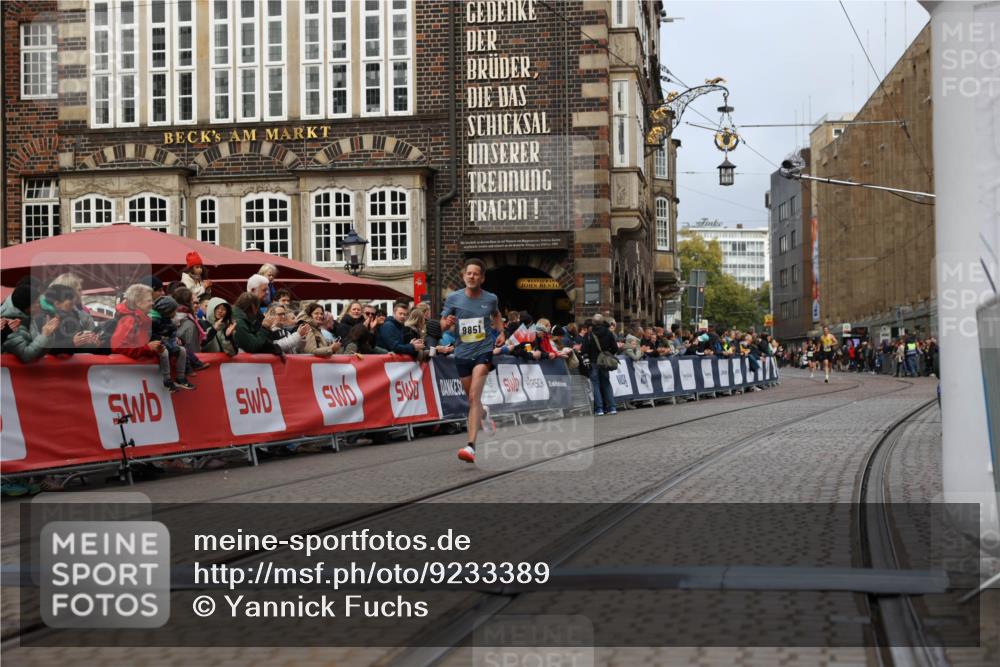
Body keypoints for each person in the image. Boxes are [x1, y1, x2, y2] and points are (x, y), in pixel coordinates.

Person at [441, 258, 504, 463]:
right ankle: (484, 414)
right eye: (469, 273)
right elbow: (441, 324)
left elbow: (496, 315)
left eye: (476, 273)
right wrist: (446, 322)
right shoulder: (453, 299)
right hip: (462, 353)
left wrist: (501, 332)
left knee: (473, 397)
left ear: (482, 278)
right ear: (463, 276)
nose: (472, 276)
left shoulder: (491, 298)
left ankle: (470, 447)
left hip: (483, 351)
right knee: (472, 398)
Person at [111, 285, 189, 392]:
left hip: (139, 379)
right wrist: (147, 348)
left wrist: (155, 349)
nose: (152, 303)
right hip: (130, 380)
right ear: (138, 302)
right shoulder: (129, 320)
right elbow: (118, 347)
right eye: (149, 300)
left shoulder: (143, 319)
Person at [1, 278, 58, 362]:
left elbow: (39, 353)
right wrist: (44, 335)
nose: (40, 306)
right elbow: (26, 356)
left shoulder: (27, 316)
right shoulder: (10, 323)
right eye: (37, 303)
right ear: (27, 307)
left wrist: (49, 334)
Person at [149, 295, 194, 390]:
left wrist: (174, 337)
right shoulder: (153, 320)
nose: (175, 313)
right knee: (164, 352)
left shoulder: (168, 320)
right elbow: (149, 335)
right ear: (167, 311)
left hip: (166, 342)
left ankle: (180, 377)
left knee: (182, 350)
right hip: (155, 344)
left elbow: (171, 332)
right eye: (173, 311)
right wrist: (162, 338)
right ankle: (167, 379)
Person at [582, 313, 617, 416]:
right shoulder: (609, 333)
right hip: (604, 362)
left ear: (593, 322)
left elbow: (584, 349)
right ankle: (612, 407)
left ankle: (599, 409)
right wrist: (607, 354)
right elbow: (615, 348)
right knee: (606, 383)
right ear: (602, 322)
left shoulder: (589, 334)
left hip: (593, 362)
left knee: (595, 385)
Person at [171, 286, 210, 372]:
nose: (196, 305)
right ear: (187, 302)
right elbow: (194, 349)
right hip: (191, 369)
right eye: (193, 302)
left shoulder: (172, 318)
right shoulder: (188, 323)